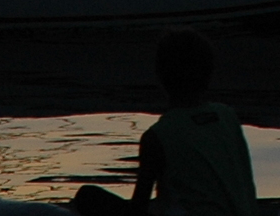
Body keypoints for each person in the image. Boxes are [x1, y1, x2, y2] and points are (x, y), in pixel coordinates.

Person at [73, 29, 257, 216]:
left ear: (160, 76)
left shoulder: (158, 137)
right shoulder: (227, 116)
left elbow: (138, 209)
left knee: (87, 196)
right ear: (209, 74)